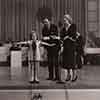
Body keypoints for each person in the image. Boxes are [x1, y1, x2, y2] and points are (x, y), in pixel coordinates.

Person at [60, 14, 77, 82]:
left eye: (65, 20)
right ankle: (68, 75)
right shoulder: (63, 29)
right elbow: (62, 37)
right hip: (66, 47)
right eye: (64, 21)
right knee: (66, 62)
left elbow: (73, 36)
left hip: (71, 47)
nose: (64, 22)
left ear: (68, 20)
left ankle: (74, 75)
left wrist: (67, 37)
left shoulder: (73, 26)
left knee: (72, 62)